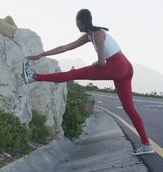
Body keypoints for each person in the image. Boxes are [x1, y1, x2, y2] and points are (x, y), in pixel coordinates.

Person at [23, 9, 155, 155]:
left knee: (71, 74)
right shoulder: (89, 35)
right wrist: (41, 55)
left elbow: (101, 62)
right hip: (125, 67)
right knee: (130, 109)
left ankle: (33, 77)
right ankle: (147, 145)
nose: (76, 25)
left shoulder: (97, 34)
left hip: (118, 66)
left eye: (76, 23)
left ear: (80, 22)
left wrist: (95, 63)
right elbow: (65, 47)